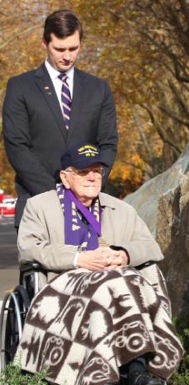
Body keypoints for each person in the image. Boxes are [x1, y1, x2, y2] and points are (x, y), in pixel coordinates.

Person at [16, 143, 183, 385]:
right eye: (84, 172)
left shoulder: (120, 209)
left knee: (125, 281)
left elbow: (150, 247)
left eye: (97, 171)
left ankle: (136, 375)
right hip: (63, 285)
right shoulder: (40, 206)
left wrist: (124, 254)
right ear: (65, 176)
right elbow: (30, 249)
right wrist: (78, 259)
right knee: (118, 284)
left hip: (117, 284)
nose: (93, 177)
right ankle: (127, 375)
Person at [3, 9, 117, 227]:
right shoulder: (20, 87)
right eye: (60, 49)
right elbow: (17, 146)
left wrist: (88, 186)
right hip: (38, 208)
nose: (67, 56)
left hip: (89, 208)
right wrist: (57, 196)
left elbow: (108, 143)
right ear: (45, 44)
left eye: (74, 48)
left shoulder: (98, 89)